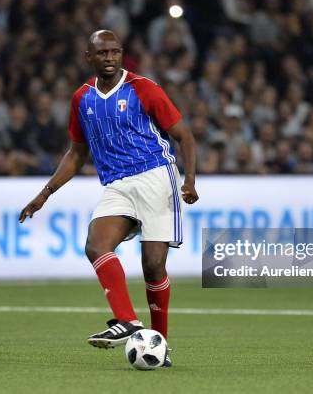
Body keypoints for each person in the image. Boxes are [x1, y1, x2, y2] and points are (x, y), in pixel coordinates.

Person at [19, 30, 198, 367]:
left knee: (153, 265)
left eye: (115, 52)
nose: (110, 58)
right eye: (102, 53)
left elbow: (184, 136)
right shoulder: (81, 99)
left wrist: (189, 179)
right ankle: (128, 320)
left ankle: (161, 344)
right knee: (96, 245)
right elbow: (76, 154)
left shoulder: (144, 88)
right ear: (89, 57)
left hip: (155, 175)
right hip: (117, 184)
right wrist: (45, 193)